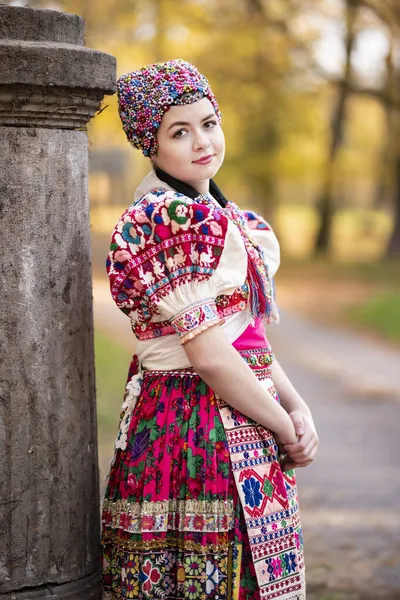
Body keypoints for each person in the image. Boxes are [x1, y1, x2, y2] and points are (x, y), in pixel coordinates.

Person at [101, 59, 318, 600]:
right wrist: (282, 425)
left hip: (245, 412)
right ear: (150, 146)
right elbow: (212, 358)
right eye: (179, 131)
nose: (201, 141)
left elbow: (250, 342)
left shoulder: (224, 218)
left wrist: (297, 407)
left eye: (208, 123)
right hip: (191, 427)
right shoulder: (164, 221)